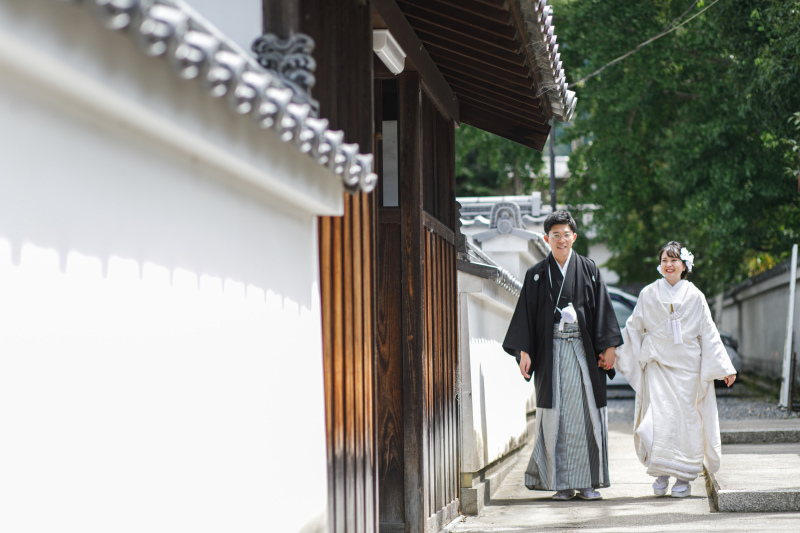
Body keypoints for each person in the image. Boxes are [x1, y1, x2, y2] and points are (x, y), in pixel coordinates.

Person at [503, 210, 622, 501]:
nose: (561, 240)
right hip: (552, 353)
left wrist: (609, 349)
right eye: (555, 235)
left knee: (587, 413)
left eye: (565, 234)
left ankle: (589, 481)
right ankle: (563, 483)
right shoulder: (536, 275)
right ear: (547, 239)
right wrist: (524, 351)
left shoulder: (589, 269)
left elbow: (604, 311)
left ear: (574, 237)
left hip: (583, 352)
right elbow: (526, 317)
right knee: (557, 416)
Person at [612, 241, 736, 498]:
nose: (669, 265)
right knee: (660, 419)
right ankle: (661, 472)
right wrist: (613, 351)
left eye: (674, 260)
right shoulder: (648, 293)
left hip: (688, 370)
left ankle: (683, 476)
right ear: (660, 265)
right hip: (657, 366)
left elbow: (709, 332)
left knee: (687, 421)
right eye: (664, 260)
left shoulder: (696, 296)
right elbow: (633, 327)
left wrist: (725, 367)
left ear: (684, 265)